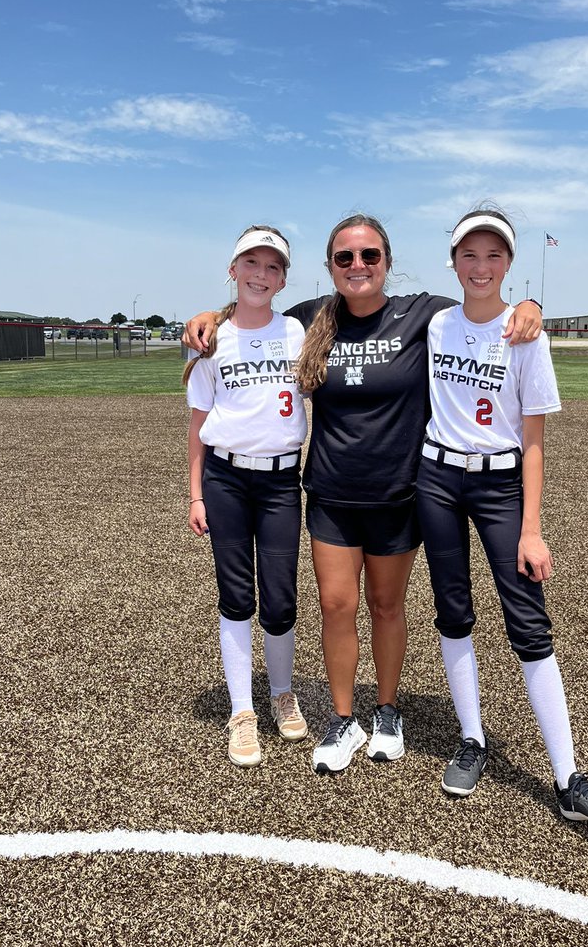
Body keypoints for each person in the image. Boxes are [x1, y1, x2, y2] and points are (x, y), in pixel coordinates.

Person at [185, 215, 544, 775]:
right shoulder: (312, 319)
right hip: (331, 492)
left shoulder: (421, 314)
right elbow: (252, 313)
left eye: (370, 256)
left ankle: (388, 709)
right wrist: (210, 314)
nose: (358, 266)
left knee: (386, 606)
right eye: (345, 258)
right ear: (330, 267)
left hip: (400, 493)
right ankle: (342, 718)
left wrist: (532, 307)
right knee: (336, 605)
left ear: (387, 261)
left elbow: (486, 302)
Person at [415, 206, 588, 826]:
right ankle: (472, 738)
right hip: (435, 479)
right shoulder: (435, 325)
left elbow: (533, 438)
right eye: (469, 255)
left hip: (500, 483)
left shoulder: (526, 333)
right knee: (452, 609)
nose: (481, 267)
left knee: (528, 621)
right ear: (453, 261)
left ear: (510, 263)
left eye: (494, 256)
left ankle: (568, 779)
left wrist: (531, 527)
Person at [185, 225, 309, 768]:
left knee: (280, 595)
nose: (261, 274)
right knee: (237, 595)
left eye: (273, 267)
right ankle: (242, 710)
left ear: (283, 278)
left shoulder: (300, 333)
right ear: (233, 269)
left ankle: (281, 690)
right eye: (251, 264)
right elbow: (197, 424)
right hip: (227, 479)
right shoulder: (212, 339)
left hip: (282, 480)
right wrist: (195, 494)